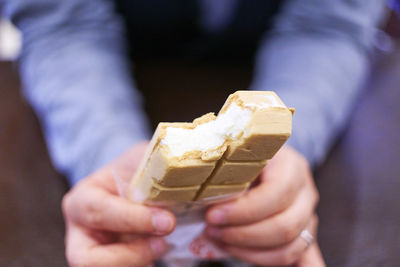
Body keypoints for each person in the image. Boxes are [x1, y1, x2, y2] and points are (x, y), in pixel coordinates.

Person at [1, 0, 386, 266]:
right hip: (103, 88)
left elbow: (326, 27)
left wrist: (279, 151)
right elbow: (63, 26)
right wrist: (114, 169)